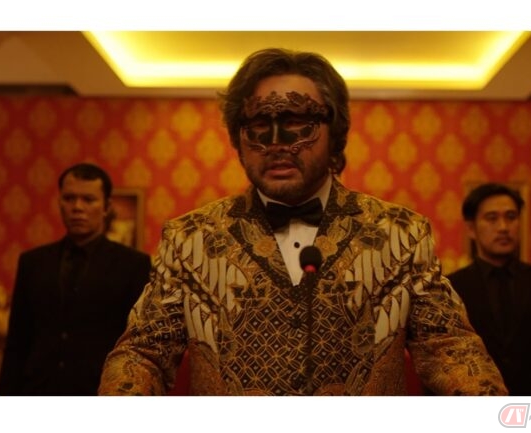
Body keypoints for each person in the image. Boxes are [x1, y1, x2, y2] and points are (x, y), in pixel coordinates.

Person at [98, 48, 507, 396]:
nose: (277, 143)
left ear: (335, 132)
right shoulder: (190, 239)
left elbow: (450, 348)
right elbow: (143, 353)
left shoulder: (400, 234)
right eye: (259, 127)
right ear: (238, 138)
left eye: (297, 125)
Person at [0, 162, 152, 396]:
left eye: (88, 200)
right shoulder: (32, 262)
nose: (77, 207)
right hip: (38, 391)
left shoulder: (133, 264)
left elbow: (138, 345)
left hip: (101, 392)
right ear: (59, 202)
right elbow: (17, 342)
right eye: (69, 198)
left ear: (106, 207)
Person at [447, 182, 531, 395]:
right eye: (492, 218)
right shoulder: (452, 287)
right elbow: (442, 363)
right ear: (471, 229)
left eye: (511, 217)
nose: (503, 227)